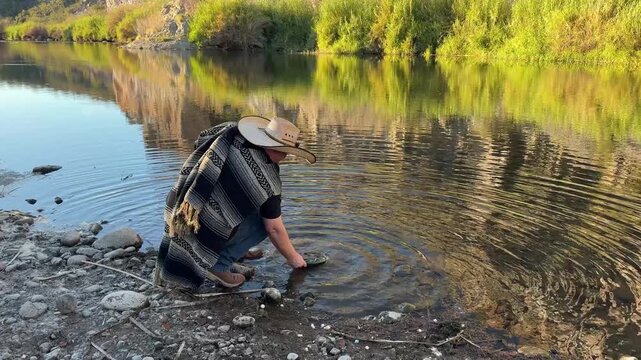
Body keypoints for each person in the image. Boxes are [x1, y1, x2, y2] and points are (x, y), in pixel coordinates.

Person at [155, 116, 316, 289]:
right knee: (263, 223)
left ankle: (233, 252)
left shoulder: (231, 135)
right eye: (284, 150)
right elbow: (274, 229)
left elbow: (200, 140)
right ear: (272, 147)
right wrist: (294, 258)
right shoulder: (267, 178)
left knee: (245, 204)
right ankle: (218, 265)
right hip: (197, 222)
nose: (286, 155)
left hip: (183, 204)